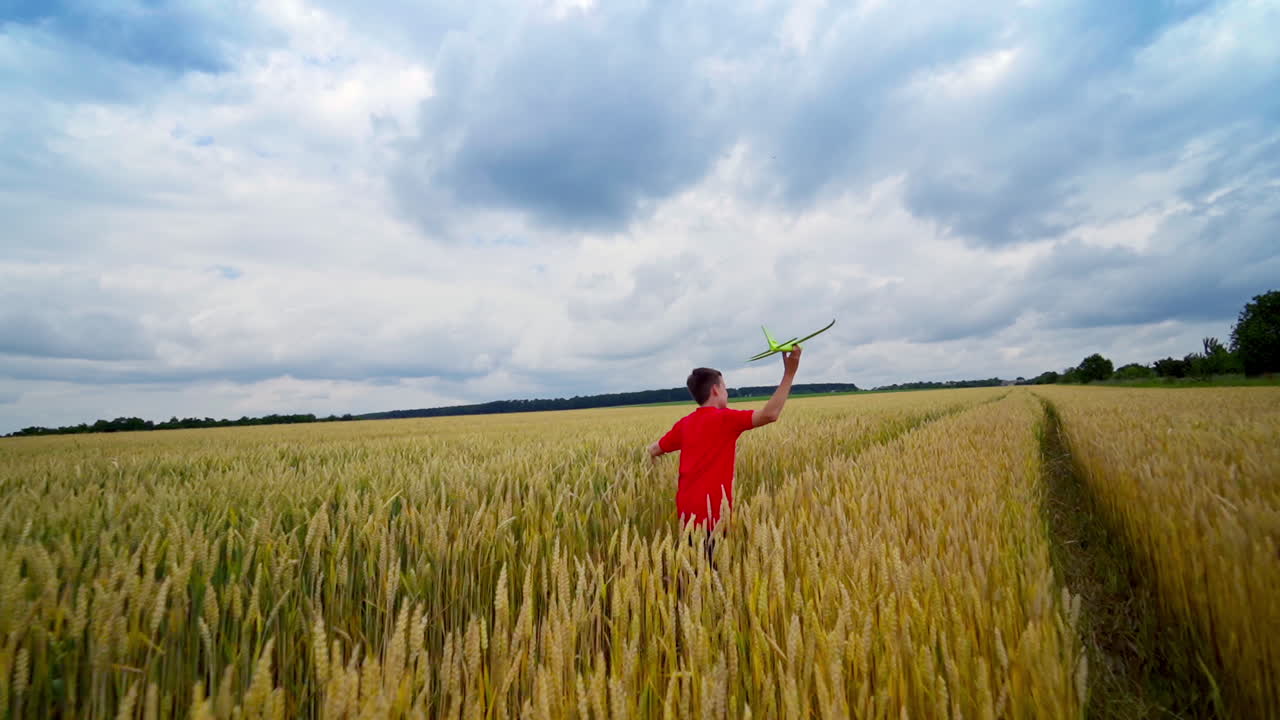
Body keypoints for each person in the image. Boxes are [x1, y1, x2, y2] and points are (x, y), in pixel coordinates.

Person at [646, 346, 802, 552]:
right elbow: (770, 414)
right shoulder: (726, 419)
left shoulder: (684, 424)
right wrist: (789, 373)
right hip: (714, 515)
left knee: (693, 568)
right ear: (716, 390)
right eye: (725, 388)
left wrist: (653, 461)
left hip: (686, 511)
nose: (727, 393)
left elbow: (655, 449)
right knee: (712, 572)